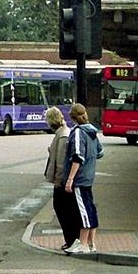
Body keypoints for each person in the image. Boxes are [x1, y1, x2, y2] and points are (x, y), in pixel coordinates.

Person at [63, 103, 104, 255]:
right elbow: (100, 152)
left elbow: (77, 156)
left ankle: (84, 244)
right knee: (90, 208)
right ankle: (92, 243)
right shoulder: (92, 132)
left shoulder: (79, 132)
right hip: (89, 176)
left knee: (83, 211)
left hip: (80, 178)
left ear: (72, 117)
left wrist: (70, 179)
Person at [44, 107, 80, 251]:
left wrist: (59, 182)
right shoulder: (61, 133)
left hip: (62, 182)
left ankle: (71, 238)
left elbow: (61, 162)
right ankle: (70, 239)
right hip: (62, 180)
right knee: (64, 209)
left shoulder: (63, 135)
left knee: (63, 209)